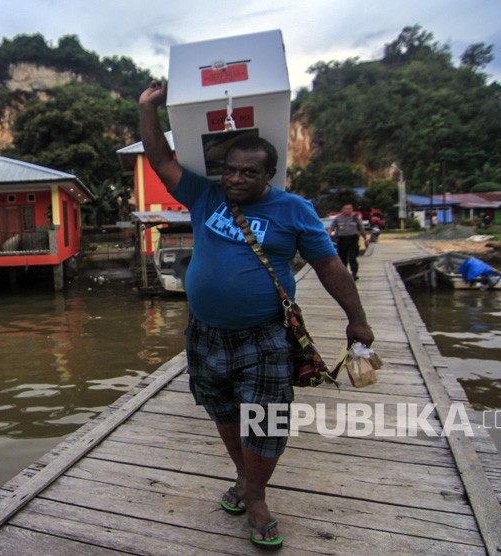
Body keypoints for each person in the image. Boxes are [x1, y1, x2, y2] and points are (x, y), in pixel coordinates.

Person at [139, 80, 373, 550]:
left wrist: (357, 318)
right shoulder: (206, 195)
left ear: (270, 173)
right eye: (230, 170)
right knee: (223, 410)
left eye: (249, 172)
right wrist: (146, 108)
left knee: (265, 420)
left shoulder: (294, 210)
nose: (236, 179)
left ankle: (258, 497)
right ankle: (244, 480)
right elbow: (161, 159)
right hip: (205, 334)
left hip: (263, 335)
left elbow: (330, 266)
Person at [329, 204, 369, 281]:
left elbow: (361, 229)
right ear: (342, 209)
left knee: (352, 257)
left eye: (350, 209)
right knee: (342, 258)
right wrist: (329, 236)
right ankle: (344, 274)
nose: (348, 210)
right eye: (346, 209)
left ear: (352, 209)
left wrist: (365, 239)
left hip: (353, 240)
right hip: (342, 240)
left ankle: (354, 273)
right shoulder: (337, 219)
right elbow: (331, 228)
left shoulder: (355, 218)